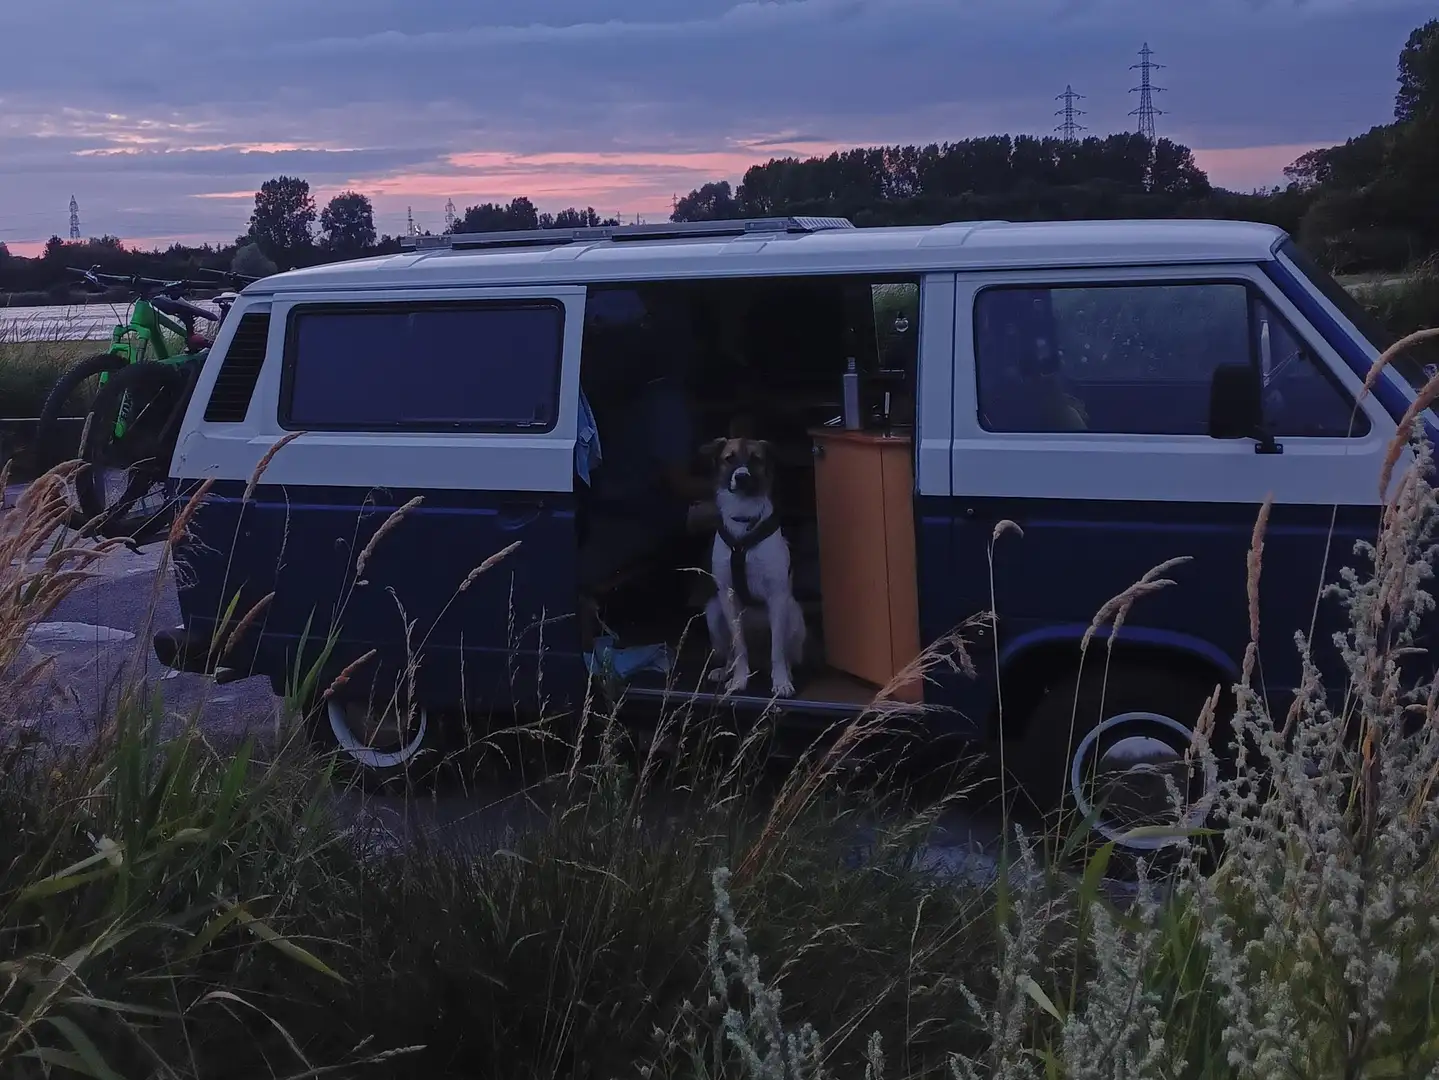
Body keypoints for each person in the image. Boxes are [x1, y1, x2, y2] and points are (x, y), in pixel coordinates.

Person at [577, 287, 711, 650]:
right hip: (640, 507)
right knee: (728, 515)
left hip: (613, 498)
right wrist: (730, 486)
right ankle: (702, 611)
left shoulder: (632, 394)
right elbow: (680, 485)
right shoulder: (665, 403)